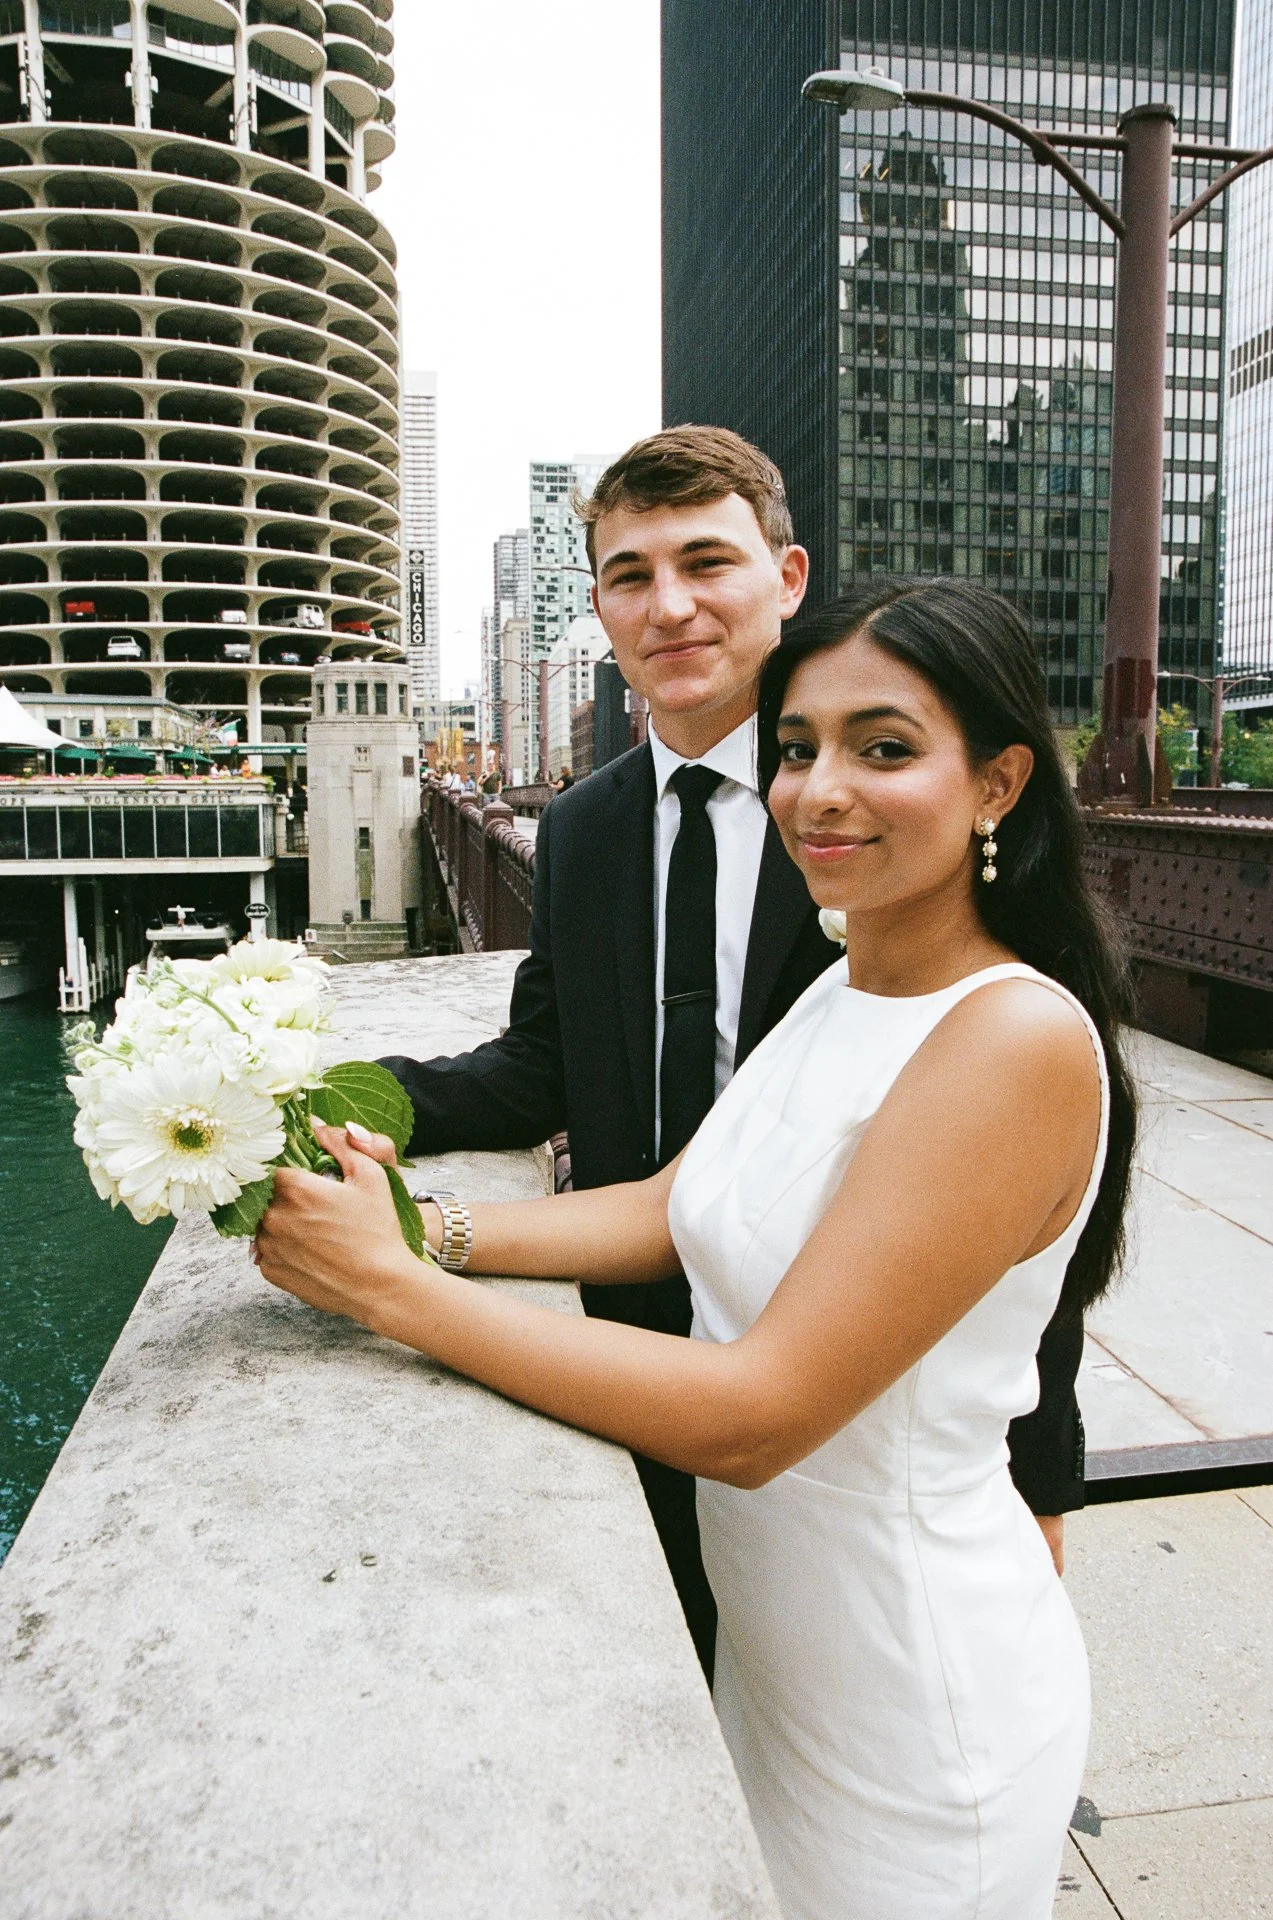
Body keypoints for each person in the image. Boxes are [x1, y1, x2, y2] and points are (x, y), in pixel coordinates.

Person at [255, 578, 1137, 1919]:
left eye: (883, 748)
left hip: (910, 1707)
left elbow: (757, 1411)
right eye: (797, 748)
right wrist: (424, 1228)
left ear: (999, 782)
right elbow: (683, 1199)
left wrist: (386, 1292)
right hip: (777, 1657)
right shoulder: (850, 978)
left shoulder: (1007, 1040)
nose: (817, 790)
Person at [374, 428, 1087, 1676]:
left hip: (833, 1360)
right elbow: (542, 1067)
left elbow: (1024, 1202)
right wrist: (344, 1106)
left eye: (708, 561)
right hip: (626, 1325)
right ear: (595, 605)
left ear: (789, 578)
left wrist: (1040, 1479)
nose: (672, 606)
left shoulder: (879, 854)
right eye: (629, 576)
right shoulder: (588, 825)